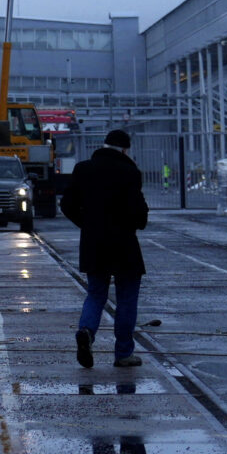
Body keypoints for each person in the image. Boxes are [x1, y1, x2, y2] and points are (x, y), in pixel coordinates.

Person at [62, 128, 148, 368]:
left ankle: (87, 332)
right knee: (127, 300)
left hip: (94, 244)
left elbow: (67, 204)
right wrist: (135, 221)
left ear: (103, 145)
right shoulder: (130, 172)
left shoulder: (83, 169)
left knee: (96, 294)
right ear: (124, 149)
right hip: (124, 246)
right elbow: (139, 213)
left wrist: (87, 225)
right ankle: (123, 354)